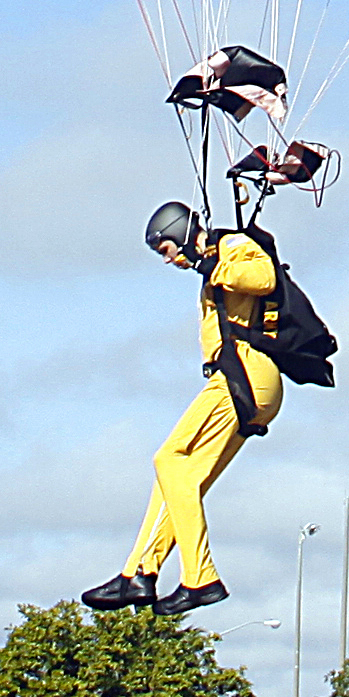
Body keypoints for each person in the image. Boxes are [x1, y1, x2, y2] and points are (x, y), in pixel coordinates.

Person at [82, 201, 280, 618]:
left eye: (168, 249)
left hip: (246, 375)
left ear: (182, 234)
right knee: (179, 481)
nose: (169, 260)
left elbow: (264, 278)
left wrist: (208, 266)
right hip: (242, 378)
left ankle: (200, 578)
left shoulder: (234, 246)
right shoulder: (213, 262)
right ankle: (139, 572)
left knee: (168, 458)